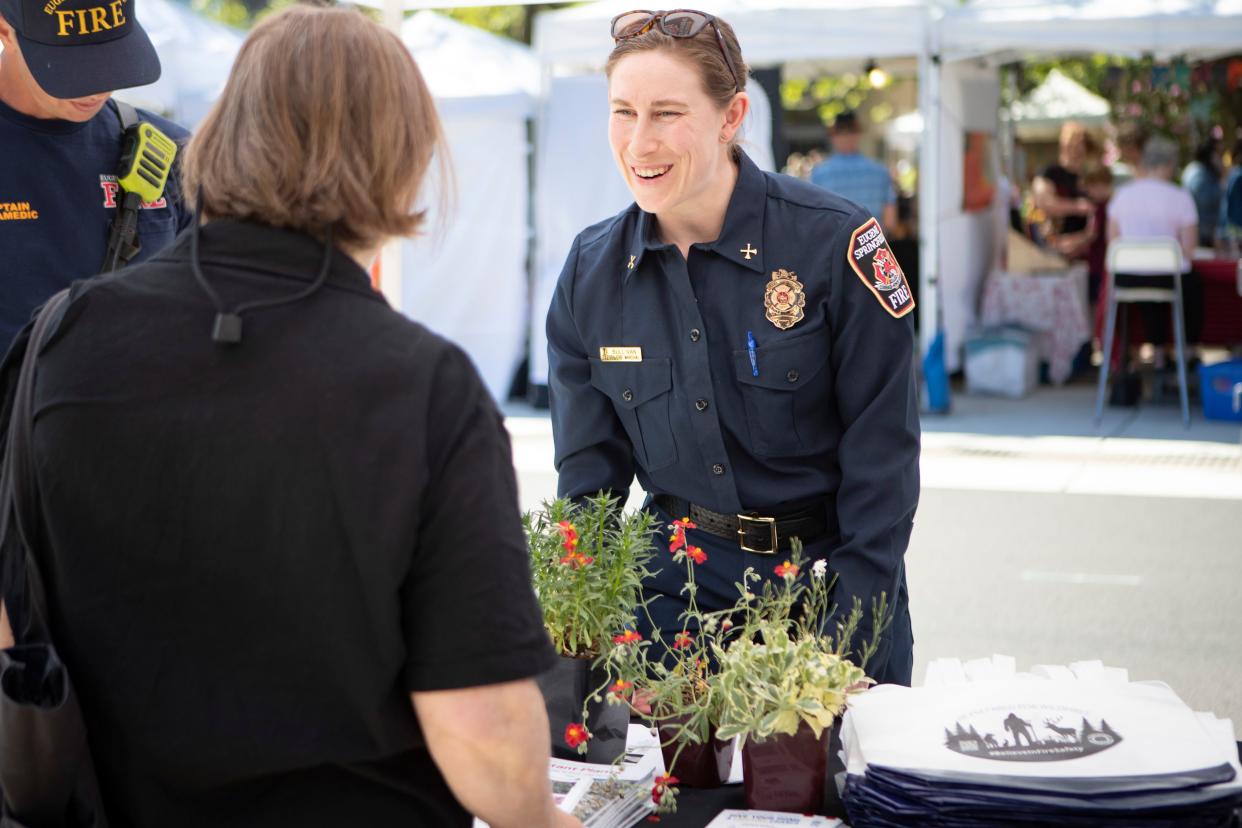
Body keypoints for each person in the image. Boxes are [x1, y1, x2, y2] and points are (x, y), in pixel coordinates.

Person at [0, 7, 574, 827]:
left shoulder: (61, 336)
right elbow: (480, 730)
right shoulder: (424, 388)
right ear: (402, 156)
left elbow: (17, 612)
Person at [546, 9, 919, 687]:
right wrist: (574, 639)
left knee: (831, 794)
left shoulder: (835, 245)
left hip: (831, 593)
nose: (639, 142)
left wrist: (844, 648)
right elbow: (588, 494)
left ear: (731, 116)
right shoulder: (590, 273)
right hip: (671, 609)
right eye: (623, 112)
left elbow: (884, 461)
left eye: (666, 113)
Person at [0, 0, 193, 349]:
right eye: (71, 68)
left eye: (112, 59)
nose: (97, 88)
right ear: (4, 31)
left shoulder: (175, 154)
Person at [1107, 134, 1201, 367]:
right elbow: (1189, 250)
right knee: (1189, 285)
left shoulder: (1122, 195)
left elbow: (1113, 244)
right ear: (1169, 164)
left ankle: (1157, 354)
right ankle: (1186, 351)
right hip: (1169, 280)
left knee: (1149, 289)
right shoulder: (1180, 197)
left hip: (1126, 282)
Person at [810, 110, 899, 232]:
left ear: (833, 136)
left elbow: (814, 220)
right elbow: (890, 222)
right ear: (858, 134)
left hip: (834, 245)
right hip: (871, 244)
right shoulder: (880, 171)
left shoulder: (820, 174)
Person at [1032, 122, 1095, 256]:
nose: (1078, 149)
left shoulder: (1089, 175)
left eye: (1082, 143)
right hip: (1056, 247)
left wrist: (1081, 240)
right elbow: (1044, 204)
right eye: (1074, 143)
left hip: (1084, 249)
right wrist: (1077, 207)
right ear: (1064, 144)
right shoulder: (1050, 173)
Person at [1181, 136, 1223, 249]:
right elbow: (1205, 204)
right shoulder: (1200, 175)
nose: (1221, 159)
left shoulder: (1196, 170)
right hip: (1202, 234)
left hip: (1200, 231)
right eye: (1219, 154)